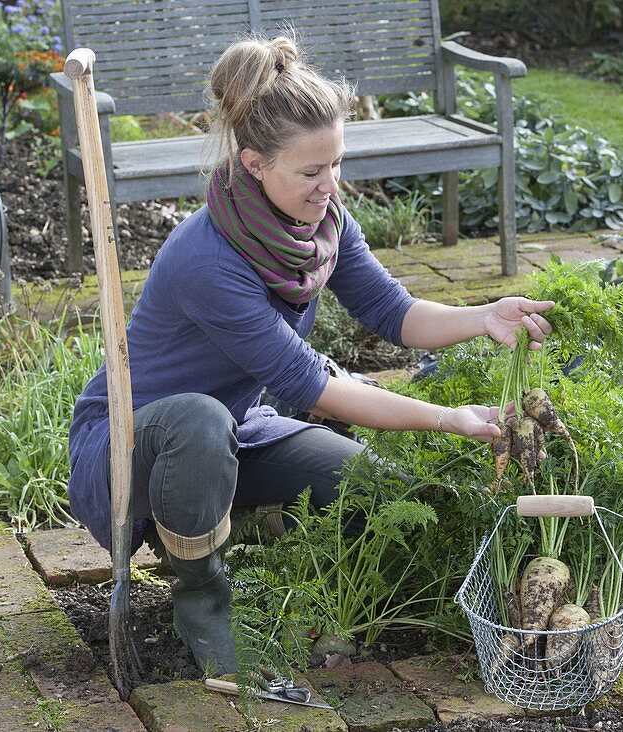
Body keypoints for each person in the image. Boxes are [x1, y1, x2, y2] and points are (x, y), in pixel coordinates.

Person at [67, 33, 554, 675]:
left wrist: (483, 316)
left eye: (336, 164)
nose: (330, 185)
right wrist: (446, 415)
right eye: (311, 171)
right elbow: (309, 385)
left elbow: (393, 312)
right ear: (254, 164)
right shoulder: (206, 259)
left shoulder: (320, 225)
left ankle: (233, 530)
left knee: (384, 493)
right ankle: (202, 601)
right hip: (134, 439)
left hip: (239, 427)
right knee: (199, 422)